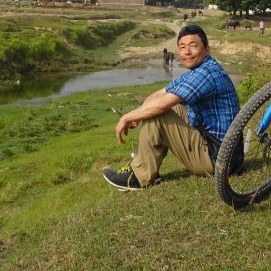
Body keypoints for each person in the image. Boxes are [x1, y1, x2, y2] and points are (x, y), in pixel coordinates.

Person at [102, 25, 240, 191]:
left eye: (193, 46)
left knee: (159, 113)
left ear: (206, 49)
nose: (187, 52)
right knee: (169, 108)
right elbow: (159, 95)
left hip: (217, 159)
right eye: (182, 47)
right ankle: (145, 166)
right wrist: (138, 114)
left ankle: (140, 177)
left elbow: (160, 106)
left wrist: (127, 117)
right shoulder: (198, 71)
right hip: (221, 150)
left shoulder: (206, 74)